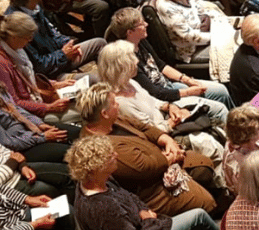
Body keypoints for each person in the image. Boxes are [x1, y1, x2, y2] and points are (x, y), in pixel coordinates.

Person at [66, 135, 222, 230]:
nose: (116, 155)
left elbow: (131, 197)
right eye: (109, 156)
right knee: (198, 217)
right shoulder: (102, 207)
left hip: (145, 229)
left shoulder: (98, 181)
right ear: (96, 169)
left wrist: (143, 211)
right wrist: (148, 220)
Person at [76, 84, 218, 217]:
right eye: (114, 103)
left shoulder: (114, 119)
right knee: (208, 202)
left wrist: (168, 141)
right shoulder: (103, 147)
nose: (118, 104)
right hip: (154, 190)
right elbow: (145, 167)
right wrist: (172, 157)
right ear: (104, 113)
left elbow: (144, 128)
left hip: (163, 159)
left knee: (203, 165)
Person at [97, 40, 227, 153]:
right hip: (166, 135)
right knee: (212, 145)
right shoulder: (121, 103)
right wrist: (175, 120)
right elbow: (151, 131)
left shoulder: (130, 82)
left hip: (168, 118)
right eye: (132, 59)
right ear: (121, 67)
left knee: (217, 121)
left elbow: (154, 101)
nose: (137, 61)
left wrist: (170, 107)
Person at [0, 48, 76, 159]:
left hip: (31, 129)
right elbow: (5, 142)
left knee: (76, 134)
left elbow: (17, 109)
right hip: (23, 147)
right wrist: (42, 138)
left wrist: (39, 123)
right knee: (73, 153)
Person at [106, 8, 233, 107]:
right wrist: (190, 92)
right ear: (130, 32)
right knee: (218, 108)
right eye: (141, 23)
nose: (146, 24)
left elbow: (161, 65)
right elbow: (155, 93)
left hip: (169, 86)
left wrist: (187, 80)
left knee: (221, 90)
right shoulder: (127, 59)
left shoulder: (140, 41)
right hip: (162, 99)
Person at [5, 0, 105, 77]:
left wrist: (68, 44)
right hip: (49, 75)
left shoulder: (35, 7)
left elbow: (53, 34)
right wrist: (63, 55)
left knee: (100, 43)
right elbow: (39, 66)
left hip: (60, 57)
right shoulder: (17, 24)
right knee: (95, 78)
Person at [155, 0, 236, 67]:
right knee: (233, 51)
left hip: (205, 31)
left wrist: (224, 24)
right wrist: (220, 36)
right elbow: (190, 37)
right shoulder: (166, 8)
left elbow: (202, 9)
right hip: (192, 49)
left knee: (238, 35)